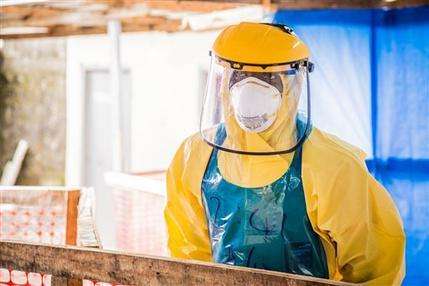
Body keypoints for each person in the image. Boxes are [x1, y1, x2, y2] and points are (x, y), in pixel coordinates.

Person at [164, 22, 405, 285]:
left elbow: (375, 265)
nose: (249, 91)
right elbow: (189, 256)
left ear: (293, 86)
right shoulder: (194, 157)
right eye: (238, 76)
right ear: (223, 83)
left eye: (268, 78)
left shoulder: (333, 165)